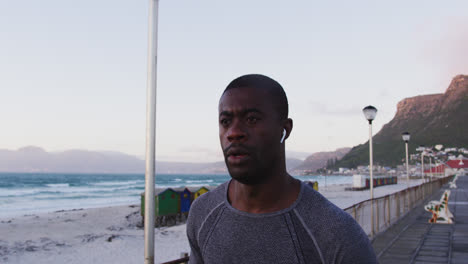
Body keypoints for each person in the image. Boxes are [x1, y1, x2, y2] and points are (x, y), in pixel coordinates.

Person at [186, 74, 377, 264]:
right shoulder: (202, 213)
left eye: (252, 119)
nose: (233, 133)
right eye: (225, 122)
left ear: (285, 129)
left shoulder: (336, 234)